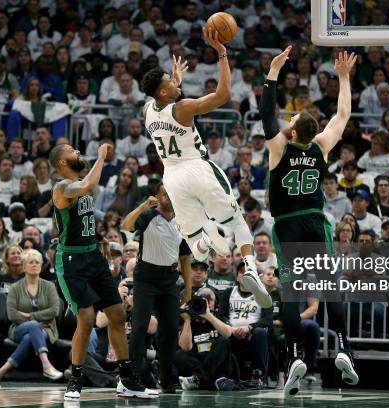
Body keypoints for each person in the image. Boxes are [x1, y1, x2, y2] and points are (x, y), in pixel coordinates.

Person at [140, 27, 270, 309]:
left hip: (172, 178)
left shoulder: (148, 110)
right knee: (237, 222)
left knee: (197, 246)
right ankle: (249, 268)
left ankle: (207, 238)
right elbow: (223, 94)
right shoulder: (183, 107)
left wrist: (173, 80)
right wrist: (222, 52)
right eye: (171, 83)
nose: (177, 84)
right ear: (164, 91)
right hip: (197, 169)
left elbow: (162, 98)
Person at [259, 46, 359, 397]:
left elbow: (266, 116)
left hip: (287, 225)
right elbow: (343, 114)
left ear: (294, 132)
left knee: (291, 292)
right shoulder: (320, 147)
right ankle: (345, 348)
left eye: (290, 123)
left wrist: (272, 73)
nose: (286, 123)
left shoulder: (279, 149)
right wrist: (344, 77)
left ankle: (294, 356)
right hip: (317, 223)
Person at [49, 143, 138, 400]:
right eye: (70, 150)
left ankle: (127, 379)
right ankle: (75, 378)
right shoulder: (62, 187)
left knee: (118, 313)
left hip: (92, 255)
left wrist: (100, 240)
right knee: (86, 317)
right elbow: (88, 187)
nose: (76, 151)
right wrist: (101, 157)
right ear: (62, 162)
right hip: (71, 261)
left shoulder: (78, 181)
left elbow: (82, 218)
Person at [121, 185, 192, 394]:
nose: (168, 197)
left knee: (170, 329)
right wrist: (143, 205)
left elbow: (185, 257)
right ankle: (131, 377)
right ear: (158, 197)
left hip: (169, 279)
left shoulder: (182, 221)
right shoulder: (148, 216)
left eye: (172, 193)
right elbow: (126, 225)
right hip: (145, 278)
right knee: (140, 325)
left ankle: (167, 378)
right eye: (164, 194)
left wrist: (187, 287)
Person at [0, 249, 63, 382]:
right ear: (24, 266)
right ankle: (46, 365)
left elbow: (54, 311)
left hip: (47, 329)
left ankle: (1, 371)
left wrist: (29, 315)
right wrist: (37, 320)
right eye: (31, 262)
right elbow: (12, 315)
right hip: (18, 328)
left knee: (29, 336)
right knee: (32, 326)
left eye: (37, 262)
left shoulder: (49, 286)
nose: (34, 265)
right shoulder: (15, 288)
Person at [176, 287, 238, 391]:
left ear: (216, 303)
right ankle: (217, 381)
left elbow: (227, 334)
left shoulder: (219, 318)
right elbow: (185, 347)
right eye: (203, 299)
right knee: (179, 355)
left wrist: (208, 315)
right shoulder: (190, 321)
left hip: (220, 362)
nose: (207, 302)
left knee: (222, 341)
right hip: (200, 360)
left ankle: (198, 379)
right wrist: (187, 321)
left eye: (210, 299)